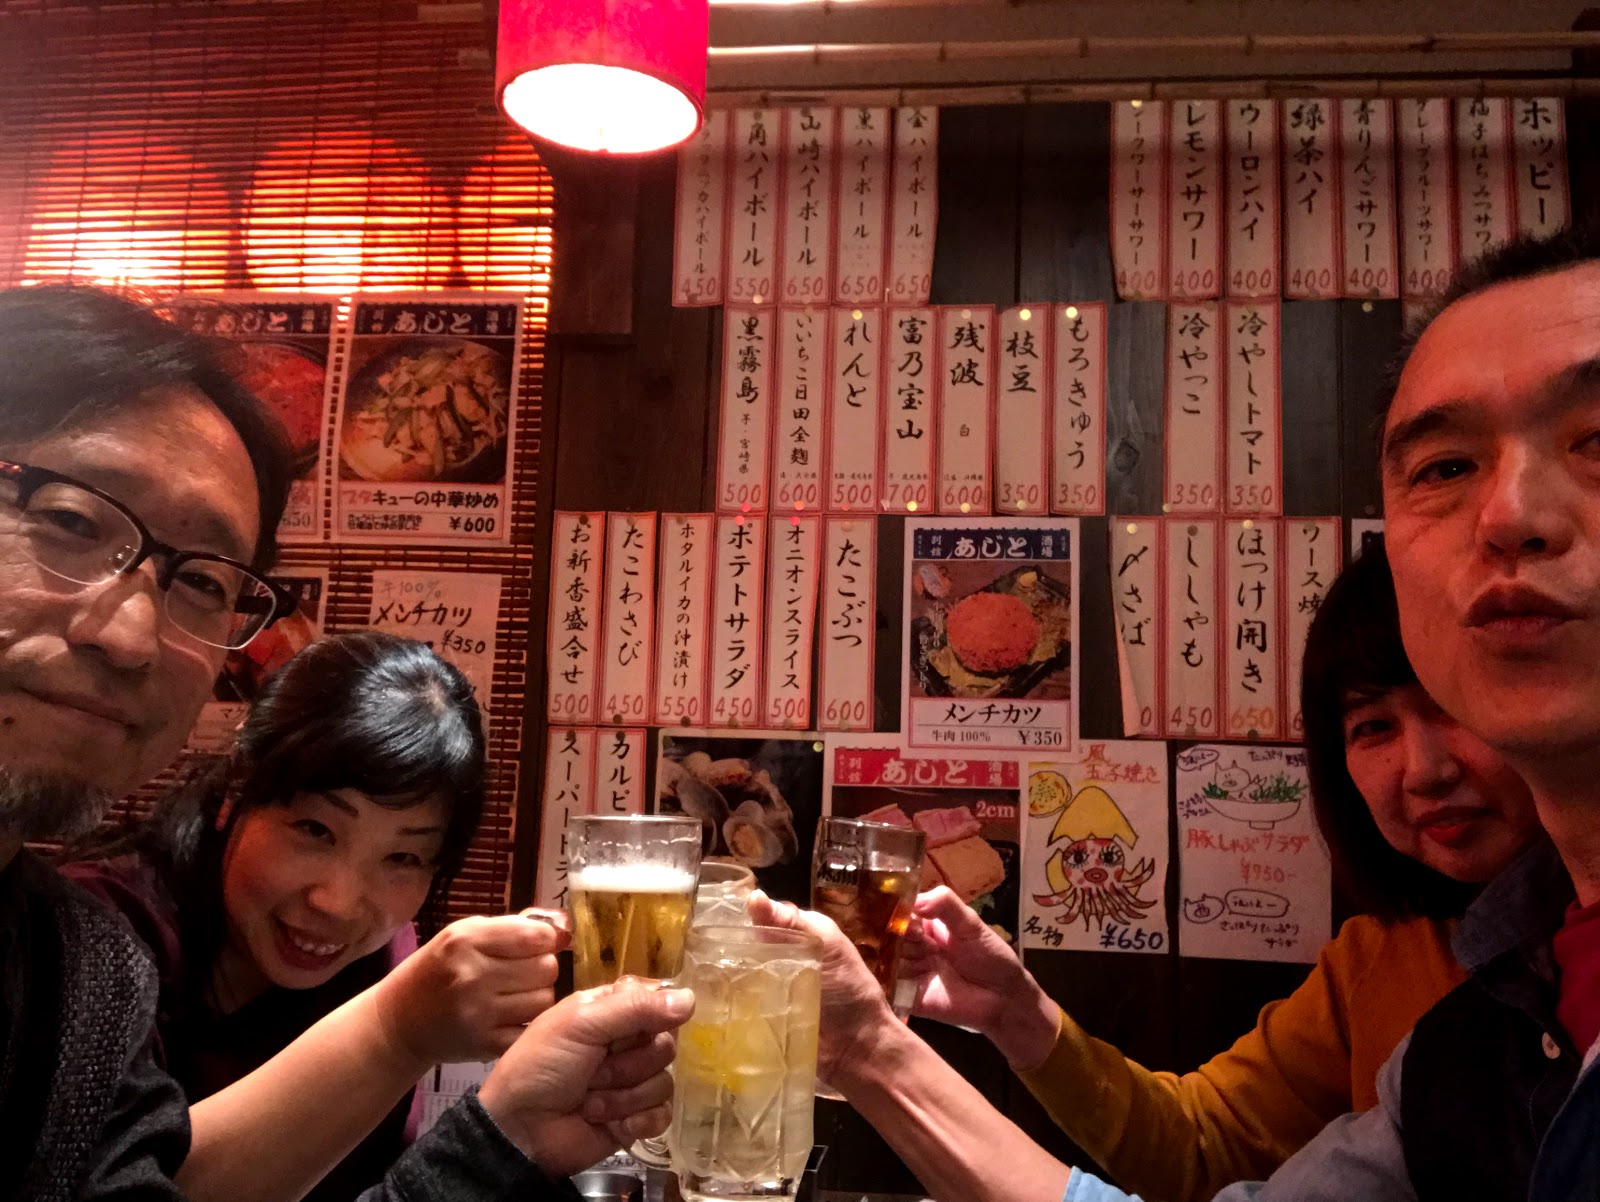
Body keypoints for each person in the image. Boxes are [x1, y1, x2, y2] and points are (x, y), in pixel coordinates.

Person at [759, 229, 1600, 1202]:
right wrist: (974, 1023)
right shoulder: (1463, 1023)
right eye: (1446, 467)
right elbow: (1203, 1143)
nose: (1509, 513)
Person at [0, 283, 690, 1200]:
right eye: (71, 521)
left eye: (201, 580)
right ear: (235, 795)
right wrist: (401, 1034)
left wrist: (505, 1134)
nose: (127, 634)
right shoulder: (123, 942)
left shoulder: (75, 969)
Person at [895, 544, 1539, 1201]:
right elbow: (1204, 1146)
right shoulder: (1383, 957)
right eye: (1374, 726)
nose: (1425, 770)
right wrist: (1013, 1011)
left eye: (1451, 705)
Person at [59, 629, 563, 1202]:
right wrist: (392, 1034)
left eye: (402, 857)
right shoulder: (94, 943)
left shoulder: (387, 961)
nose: (338, 904)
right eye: (315, 830)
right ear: (237, 792)